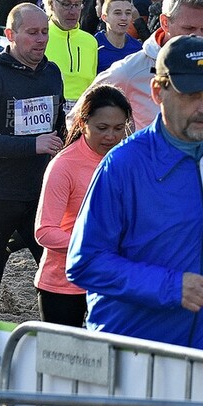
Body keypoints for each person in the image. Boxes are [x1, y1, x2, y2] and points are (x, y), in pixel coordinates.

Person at [67, 36, 203, 351]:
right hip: (135, 351)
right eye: (190, 95)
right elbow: (85, 262)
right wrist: (171, 287)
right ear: (157, 92)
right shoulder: (123, 164)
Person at [0, 4, 66, 316]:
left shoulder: (52, 73)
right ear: (10, 35)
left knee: (54, 278)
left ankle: (54, 339)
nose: (41, 39)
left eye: (45, 32)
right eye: (32, 33)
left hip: (38, 193)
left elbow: (57, 126)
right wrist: (32, 145)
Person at [35, 85, 130, 327]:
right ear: (82, 123)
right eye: (102, 128)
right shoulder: (64, 166)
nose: (111, 136)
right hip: (65, 284)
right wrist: (93, 245)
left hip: (112, 281)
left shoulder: (127, 160)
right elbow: (44, 231)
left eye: (119, 128)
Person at [81, 0, 203, 131]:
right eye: (189, 28)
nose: (198, 37)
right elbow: (79, 116)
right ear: (165, 23)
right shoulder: (131, 69)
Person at [43, 0, 97, 113]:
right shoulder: (40, 37)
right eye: (66, 4)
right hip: (47, 111)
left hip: (82, 113)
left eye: (77, 4)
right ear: (51, 3)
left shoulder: (90, 41)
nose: (73, 11)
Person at [94, 0, 140, 72]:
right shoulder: (94, 46)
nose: (124, 18)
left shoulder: (138, 48)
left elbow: (150, 72)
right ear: (104, 17)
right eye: (118, 13)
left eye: (128, 13)